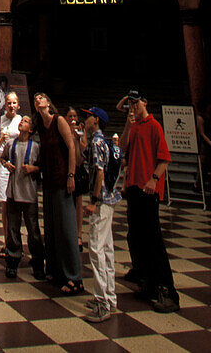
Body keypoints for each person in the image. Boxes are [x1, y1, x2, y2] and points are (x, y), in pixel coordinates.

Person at [120, 90, 179, 312]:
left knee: (154, 241)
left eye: (136, 102)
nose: (133, 106)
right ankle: (149, 284)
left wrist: (154, 179)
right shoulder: (134, 125)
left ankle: (169, 292)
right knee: (137, 237)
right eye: (130, 103)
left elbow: (164, 159)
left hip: (148, 189)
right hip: (133, 187)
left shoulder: (154, 126)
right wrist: (128, 121)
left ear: (145, 102)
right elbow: (122, 147)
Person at [33, 91, 82, 295]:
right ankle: (54, 269)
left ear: (48, 102)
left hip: (63, 178)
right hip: (49, 180)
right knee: (52, 227)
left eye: (41, 98)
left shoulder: (58, 120)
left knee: (67, 227)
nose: (38, 100)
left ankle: (74, 277)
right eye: (35, 99)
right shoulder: (41, 126)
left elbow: (70, 146)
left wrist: (71, 175)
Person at [81, 107, 120, 323]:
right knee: (106, 249)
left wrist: (93, 201)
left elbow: (99, 172)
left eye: (88, 116)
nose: (85, 118)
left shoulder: (98, 143)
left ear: (96, 120)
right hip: (110, 200)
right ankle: (110, 298)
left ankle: (102, 302)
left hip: (102, 200)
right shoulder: (103, 141)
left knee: (96, 249)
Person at [1, 114, 45, 279]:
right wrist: (7, 164)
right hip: (13, 193)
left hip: (28, 194)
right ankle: (12, 259)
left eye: (26, 121)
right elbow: (3, 158)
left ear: (31, 129)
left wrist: (33, 169)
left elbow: (42, 166)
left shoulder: (35, 147)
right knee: (13, 228)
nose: (22, 122)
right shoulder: (11, 144)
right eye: (22, 120)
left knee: (33, 230)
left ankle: (38, 261)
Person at [0, 91, 22, 258]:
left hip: (17, 163)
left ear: (18, 105)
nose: (11, 106)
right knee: (5, 203)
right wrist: (0, 140)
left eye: (14, 103)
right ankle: (6, 242)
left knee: (16, 203)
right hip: (3, 163)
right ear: (5, 105)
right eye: (9, 103)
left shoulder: (21, 121)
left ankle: (15, 241)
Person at [65, 107, 85, 250]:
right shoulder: (64, 130)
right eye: (70, 116)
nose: (73, 118)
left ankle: (79, 234)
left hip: (77, 170)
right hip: (66, 168)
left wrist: (77, 137)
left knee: (78, 202)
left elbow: (80, 156)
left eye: (74, 116)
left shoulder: (80, 133)